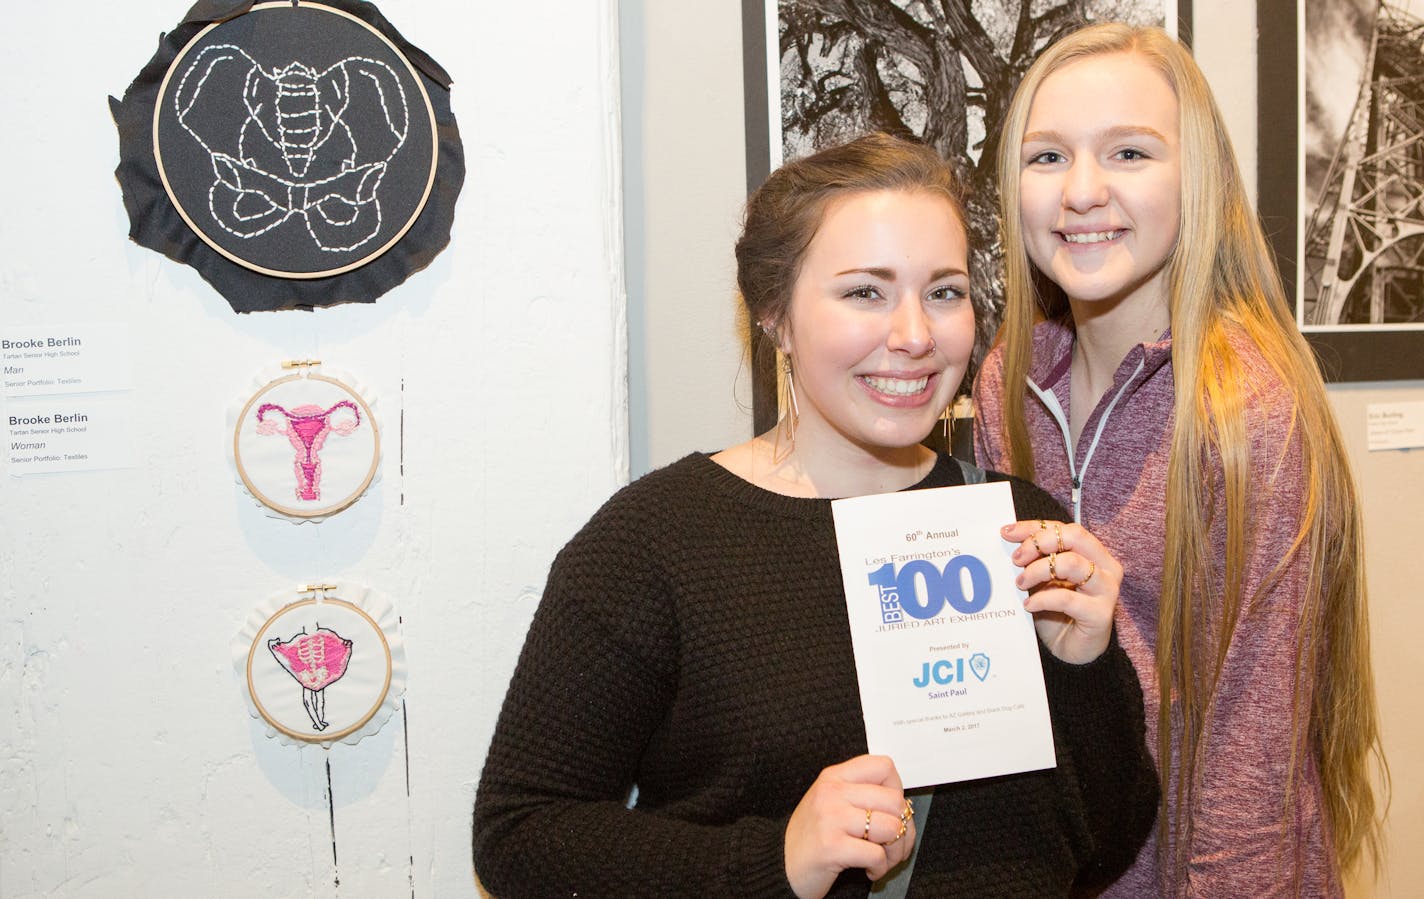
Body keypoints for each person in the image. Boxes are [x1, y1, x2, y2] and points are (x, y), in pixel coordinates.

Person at [473, 133, 1157, 898]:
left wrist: (1083, 668)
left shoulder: (1015, 524)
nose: (915, 336)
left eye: (944, 291)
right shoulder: (657, 543)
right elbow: (520, 833)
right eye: (865, 291)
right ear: (775, 316)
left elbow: (1108, 841)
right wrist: (778, 860)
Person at [973, 23, 1387, 897]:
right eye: (1046, 158)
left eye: (1128, 152)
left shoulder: (1247, 412)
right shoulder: (1008, 383)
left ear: (1197, 178)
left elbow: (1253, 752)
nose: (1082, 191)